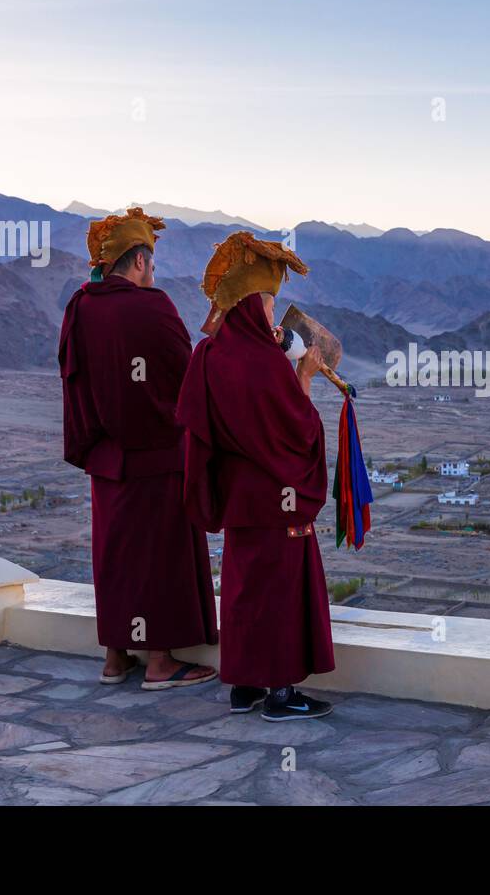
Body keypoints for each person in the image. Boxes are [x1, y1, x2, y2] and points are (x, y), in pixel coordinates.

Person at [176, 231, 336, 721]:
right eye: (269, 303)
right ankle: (281, 693)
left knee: (245, 586)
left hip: (237, 497)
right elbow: (295, 431)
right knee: (279, 590)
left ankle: (243, 686)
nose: (272, 314)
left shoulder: (209, 355)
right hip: (277, 496)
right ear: (252, 305)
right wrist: (305, 377)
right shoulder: (265, 364)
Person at [58, 207, 218, 689]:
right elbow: (186, 377)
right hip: (157, 457)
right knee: (156, 557)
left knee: (116, 554)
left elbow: (75, 381)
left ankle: (115, 656)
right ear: (141, 262)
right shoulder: (153, 307)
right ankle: (160, 662)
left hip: (106, 458)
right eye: (152, 265)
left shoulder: (80, 307)